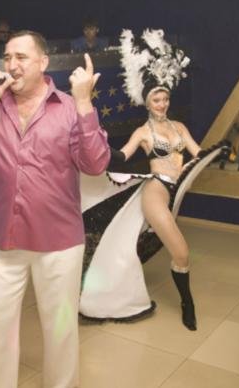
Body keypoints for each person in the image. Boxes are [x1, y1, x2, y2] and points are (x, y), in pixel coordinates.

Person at [0, 30, 110, 388]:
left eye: (21, 57)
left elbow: (96, 164)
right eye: (7, 57)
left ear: (43, 62)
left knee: (61, 327)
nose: (12, 65)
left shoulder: (69, 108)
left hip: (59, 242)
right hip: (4, 240)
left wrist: (85, 103)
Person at [79, 28, 225, 331]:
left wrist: (219, 150)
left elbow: (198, 153)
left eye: (165, 98)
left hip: (176, 189)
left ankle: (183, 299)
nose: (162, 104)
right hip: (155, 190)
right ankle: (187, 303)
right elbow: (121, 156)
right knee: (181, 252)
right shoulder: (143, 133)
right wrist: (96, 144)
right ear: (147, 103)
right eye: (156, 99)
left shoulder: (180, 127)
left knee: (174, 252)